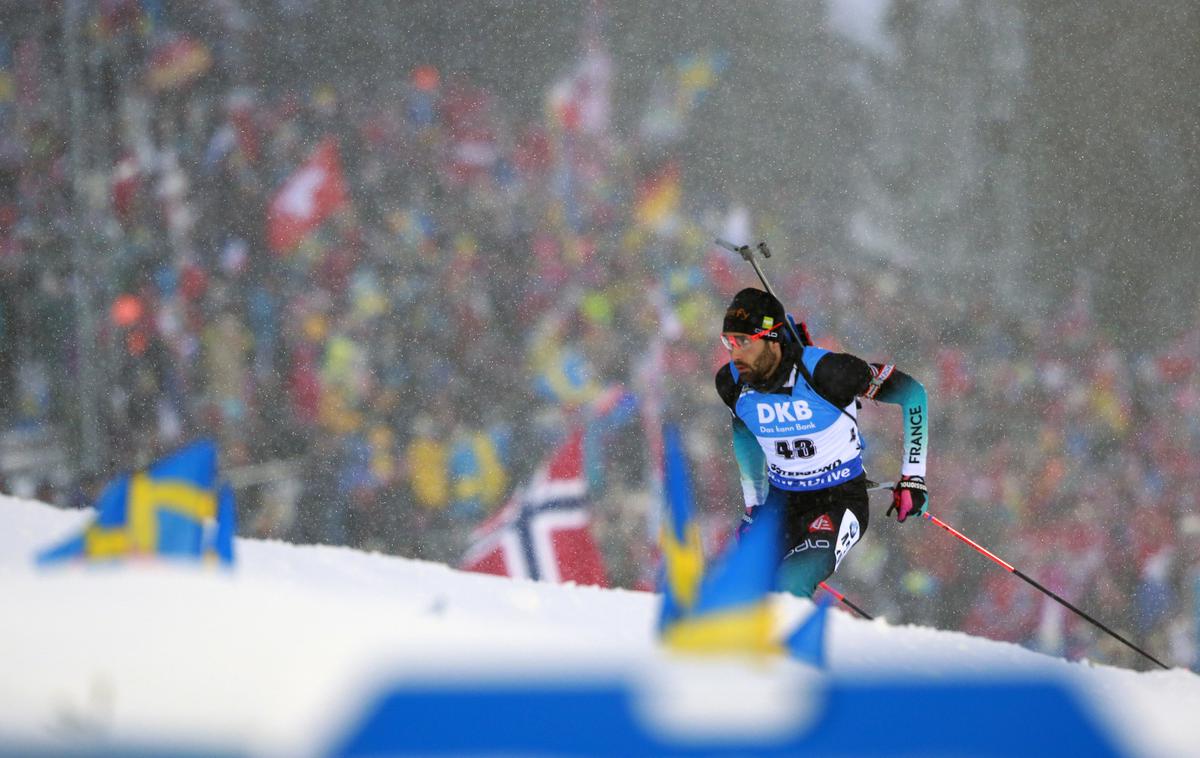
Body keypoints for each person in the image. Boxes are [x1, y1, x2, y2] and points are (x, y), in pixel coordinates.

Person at [715, 287, 929, 598]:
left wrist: (914, 478)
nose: (734, 354)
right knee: (740, 590)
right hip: (782, 502)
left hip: (839, 500)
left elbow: (912, 393)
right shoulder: (732, 382)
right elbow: (745, 433)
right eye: (728, 342)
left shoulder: (827, 372)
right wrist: (754, 505)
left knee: (790, 584)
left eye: (743, 342)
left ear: (772, 338)